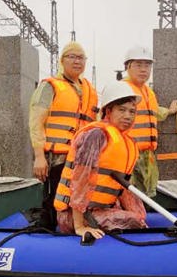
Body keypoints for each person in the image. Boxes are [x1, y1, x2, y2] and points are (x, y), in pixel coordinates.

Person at [53, 80, 147, 240]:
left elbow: (123, 187)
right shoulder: (96, 135)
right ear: (108, 111)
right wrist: (80, 226)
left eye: (132, 111)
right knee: (134, 220)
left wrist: (140, 216)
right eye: (122, 110)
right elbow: (80, 180)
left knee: (139, 216)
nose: (128, 116)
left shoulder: (127, 142)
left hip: (100, 208)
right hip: (75, 214)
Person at [28, 41, 98, 228]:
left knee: (78, 200)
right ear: (62, 60)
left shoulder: (90, 90)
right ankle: (47, 236)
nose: (77, 61)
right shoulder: (50, 86)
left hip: (82, 159)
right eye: (72, 57)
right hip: (56, 159)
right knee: (53, 201)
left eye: (81, 57)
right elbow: (36, 122)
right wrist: (39, 157)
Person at [121, 45, 177, 197]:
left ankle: (142, 220)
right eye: (139, 65)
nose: (143, 69)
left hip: (147, 155)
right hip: (128, 154)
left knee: (146, 195)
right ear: (128, 66)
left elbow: (153, 112)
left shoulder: (148, 92)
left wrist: (170, 111)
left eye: (147, 65)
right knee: (129, 195)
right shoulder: (121, 89)